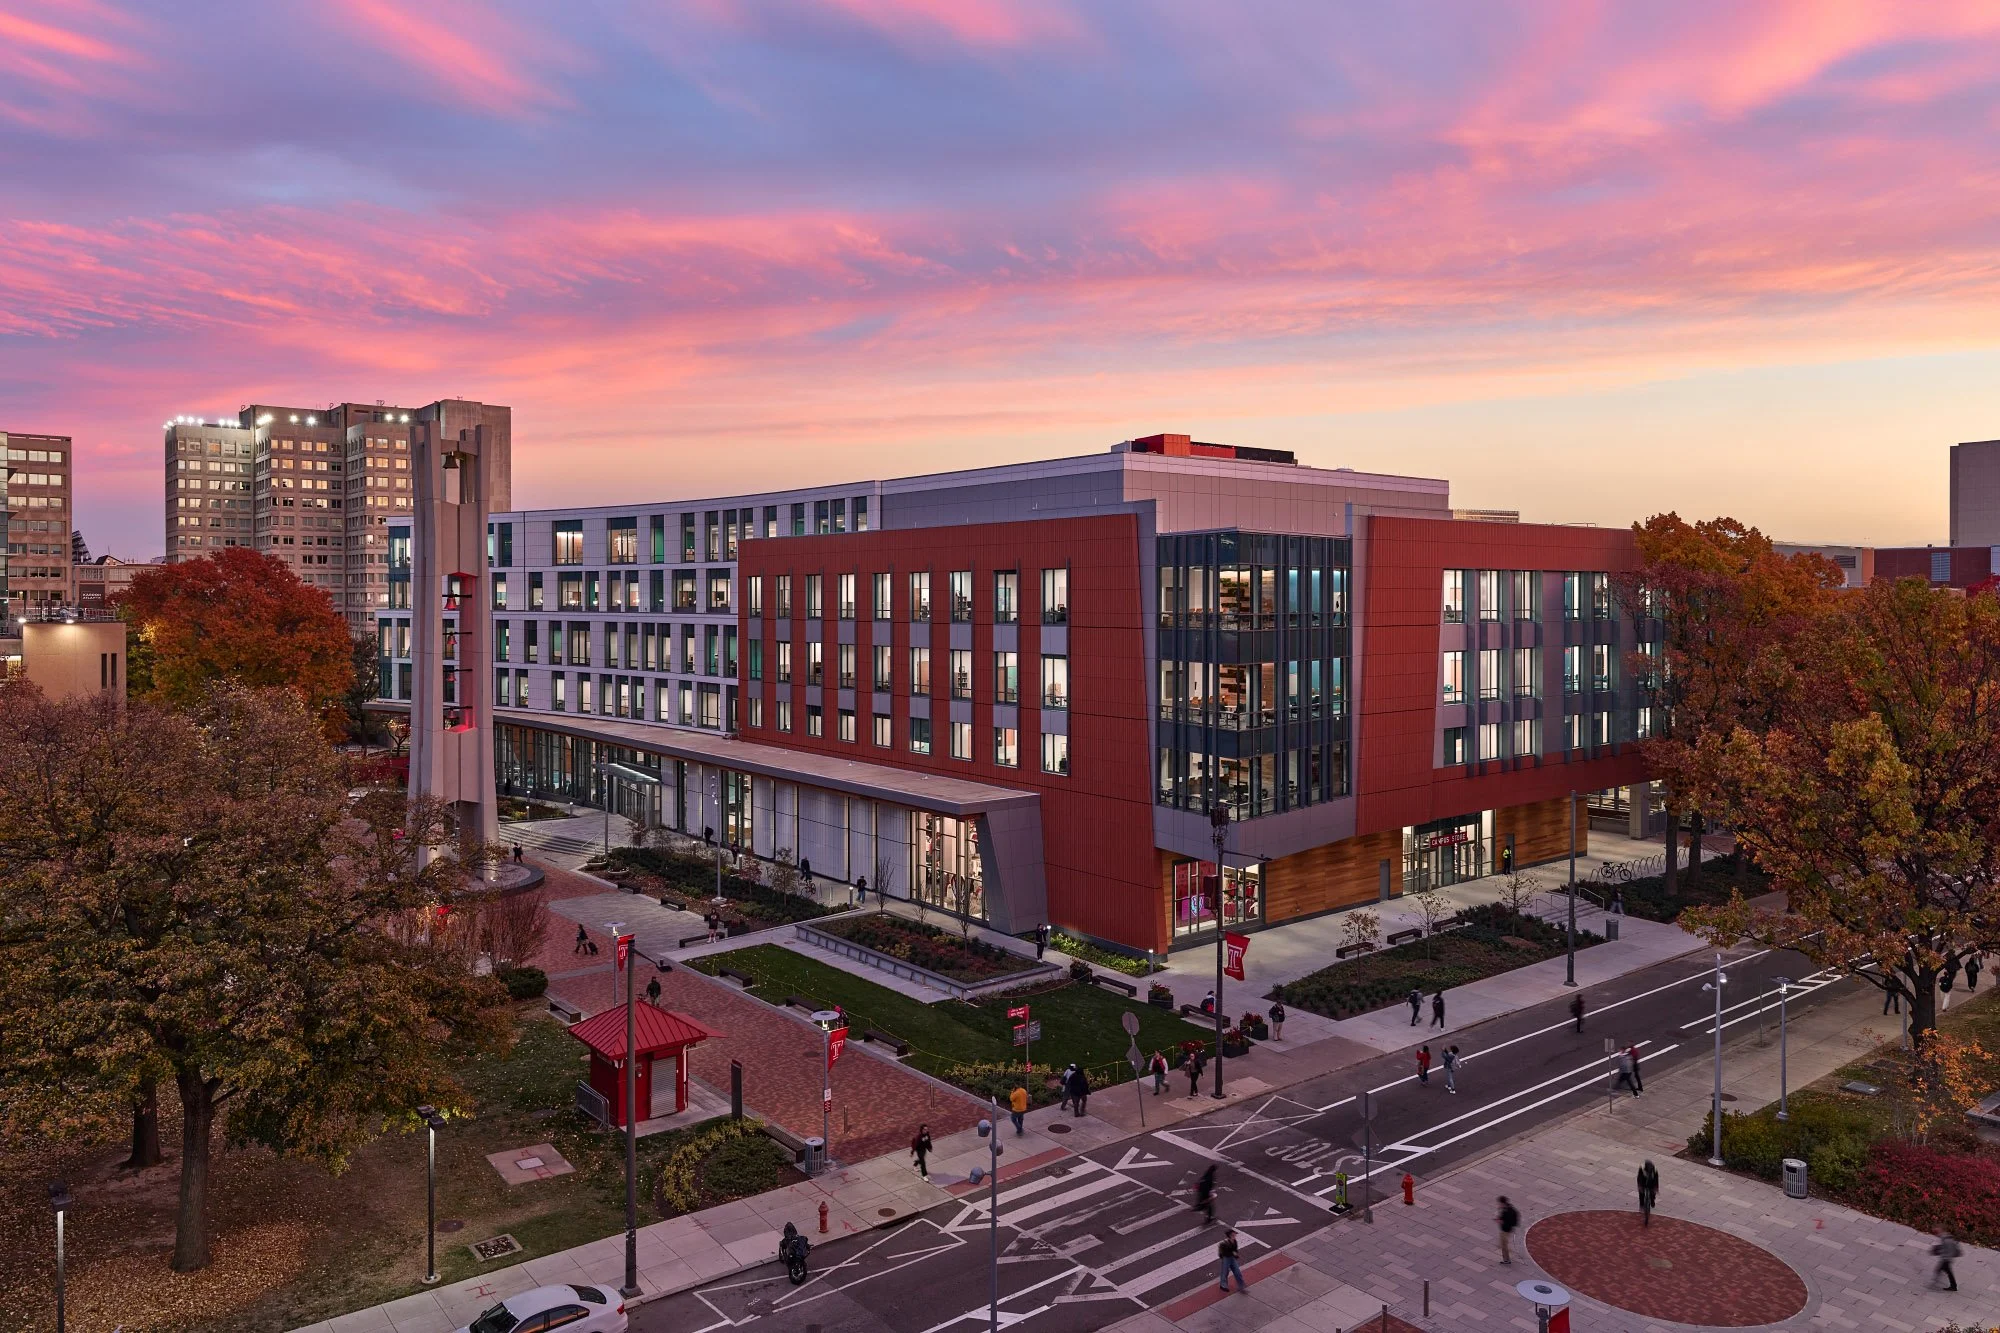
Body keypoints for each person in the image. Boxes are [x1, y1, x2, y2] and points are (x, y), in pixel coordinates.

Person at [1217, 1227, 1246, 1292]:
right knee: (1225, 1272)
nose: (1235, 1235)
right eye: (1233, 1234)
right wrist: (1232, 1253)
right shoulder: (1224, 1243)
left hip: (1232, 1258)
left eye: (1234, 1234)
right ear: (1230, 1235)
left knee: (1237, 1272)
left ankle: (1241, 1286)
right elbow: (1223, 1252)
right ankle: (1223, 1285)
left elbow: (1235, 1249)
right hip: (1226, 1258)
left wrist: (1235, 1254)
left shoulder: (1235, 1241)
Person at [1496, 1196, 1519, 1265]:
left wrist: (1500, 1221)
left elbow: (1507, 1222)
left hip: (1505, 1230)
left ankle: (1507, 1260)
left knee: (1504, 1245)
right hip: (1507, 1229)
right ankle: (1507, 1257)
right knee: (1503, 1244)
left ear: (1502, 1203)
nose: (1498, 1204)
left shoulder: (1507, 1211)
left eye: (1499, 1203)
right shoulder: (1509, 1208)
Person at [1637, 1160, 1659, 1228]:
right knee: (1641, 1193)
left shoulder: (1655, 1170)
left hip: (1651, 1183)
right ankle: (1641, 1204)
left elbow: (1656, 1179)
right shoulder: (1642, 1168)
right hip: (1643, 1183)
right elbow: (1639, 1178)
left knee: (1652, 1193)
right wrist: (1640, 1186)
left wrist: (1656, 1187)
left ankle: (1652, 1201)